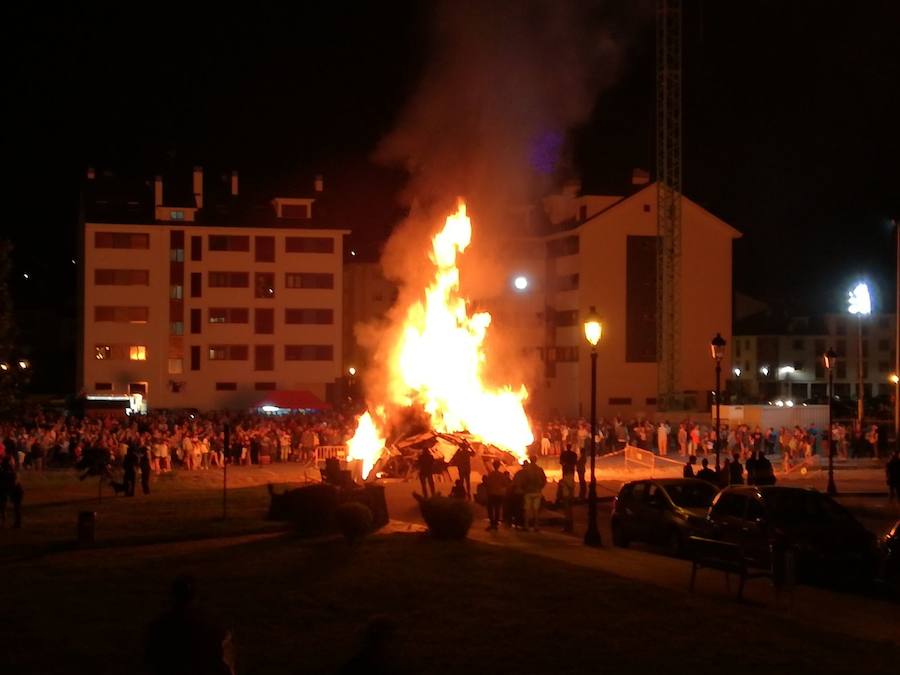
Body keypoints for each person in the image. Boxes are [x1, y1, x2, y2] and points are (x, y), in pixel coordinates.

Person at [145, 576, 234, 675]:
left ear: (172, 597)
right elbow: (225, 662)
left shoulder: (158, 626)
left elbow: (151, 660)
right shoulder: (210, 625)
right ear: (194, 597)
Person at [521, 455, 547, 532]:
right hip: (537, 492)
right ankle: (536, 526)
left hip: (528, 492)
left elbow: (523, 481)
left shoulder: (526, 470)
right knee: (536, 510)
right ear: (536, 460)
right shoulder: (539, 469)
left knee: (527, 510)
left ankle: (526, 526)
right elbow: (544, 480)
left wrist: (523, 489)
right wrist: (540, 488)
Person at [483, 459, 510, 530]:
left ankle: (492, 523)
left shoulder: (491, 474)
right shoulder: (501, 475)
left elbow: (487, 484)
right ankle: (495, 524)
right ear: (499, 466)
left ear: (493, 465)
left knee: (491, 509)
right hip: (499, 494)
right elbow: (506, 484)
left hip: (492, 494)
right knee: (497, 509)